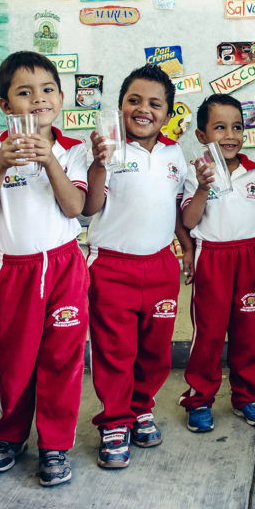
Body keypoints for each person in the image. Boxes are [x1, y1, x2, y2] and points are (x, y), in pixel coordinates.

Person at [0, 51, 89, 487]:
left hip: (64, 267)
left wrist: (49, 160)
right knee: (16, 360)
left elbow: (76, 208)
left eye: (47, 89)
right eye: (24, 92)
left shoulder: (72, 149)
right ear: (5, 104)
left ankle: (55, 444)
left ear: (60, 97)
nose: (38, 99)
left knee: (62, 358)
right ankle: (10, 434)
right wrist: (2, 163)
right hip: (15, 270)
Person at [83, 64, 194, 468]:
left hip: (162, 265)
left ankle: (141, 407)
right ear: (119, 106)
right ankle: (114, 421)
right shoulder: (104, 149)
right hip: (112, 267)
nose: (142, 109)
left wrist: (186, 247)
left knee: (154, 350)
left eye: (154, 103)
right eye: (133, 100)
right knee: (116, 350)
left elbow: (176, 209)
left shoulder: (174, 154)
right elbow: (88, 207)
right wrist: (98, 163)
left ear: (168, 113)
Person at [178, 94, 255, 432]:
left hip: (251, 258)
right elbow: (189, 222)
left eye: (237, 127)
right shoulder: (197, 174)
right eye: (219, 127)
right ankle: (199, 399)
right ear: (202, 136)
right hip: (213, 259)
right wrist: (204, 187)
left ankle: (247, 396)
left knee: (247, 333)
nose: (230, 135)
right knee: (208, 334)